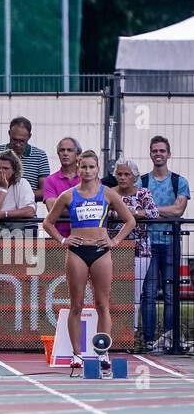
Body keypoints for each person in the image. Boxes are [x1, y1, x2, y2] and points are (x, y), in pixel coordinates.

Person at [41, 150, 135, 372]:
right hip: (77, 252)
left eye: (92, 167)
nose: (87, 171)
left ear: (97, 169)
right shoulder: (68, 195)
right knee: (76, 305)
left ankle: (102, 353)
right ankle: (77, 355)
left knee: (103, 305)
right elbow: (47, 222)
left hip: (101, 251)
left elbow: (129, 220)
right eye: (83, 167)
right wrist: (63, 239)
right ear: (77, 168)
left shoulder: (108, 194)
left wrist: (115, 241)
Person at [139, 135, 189, 351]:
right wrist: (161, 212)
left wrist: (150, 211)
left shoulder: (180, 181)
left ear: (169, 154)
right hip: (147, 244)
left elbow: (178, 211)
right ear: (150, 153)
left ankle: (169, 338)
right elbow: (136, 212)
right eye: (154, 150)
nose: (158, 154)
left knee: (171, 293)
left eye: (162, 151)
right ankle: (149, 340)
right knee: (148, 292)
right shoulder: (141, 181)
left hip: (170, 242)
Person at [109, 158, 158, 343]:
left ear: (134, 177)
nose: (122, 177)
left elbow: (153, 213)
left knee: (135, 293)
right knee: (112, 291)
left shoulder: (143, 193)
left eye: (126, 174)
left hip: (140, 249)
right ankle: (112, 333)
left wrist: (127, 212)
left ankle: (131, 334)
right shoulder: (109, 193)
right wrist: (132, 213)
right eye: (119, 174)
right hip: (114, 247)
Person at [0, 116, 50, 201]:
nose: (18, 144)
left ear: (29, 136)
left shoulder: (40, 156)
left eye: (22, 141)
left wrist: (14, 194)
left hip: (25, 211)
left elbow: (45, 192)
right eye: (14, 140)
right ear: (9, 133)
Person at [0, 151, 36, 231]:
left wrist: (4, 214)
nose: (1, 171)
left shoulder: (23, 183)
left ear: (14, 170)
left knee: (30, 223)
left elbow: (30, 211)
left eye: (5, 168)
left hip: (16, 222)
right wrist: (3, 189)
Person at [41, 137, 82, 240]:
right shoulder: (50, 180)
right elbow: (53, 210)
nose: (65, 153)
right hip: (61, 239)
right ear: (58, 154)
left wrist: (64, 207)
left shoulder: (89, 178)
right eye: (62, 150)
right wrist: (83, 209)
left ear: (77, 155)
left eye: (69, 150)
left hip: (86, 238)